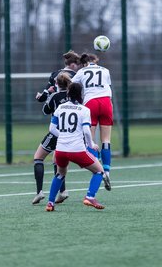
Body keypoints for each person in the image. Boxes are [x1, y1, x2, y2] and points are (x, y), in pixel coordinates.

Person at [45, 82, 105, 212]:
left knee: (60, 174)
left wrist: (63, 136)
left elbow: (52, 128)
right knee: (99, 171)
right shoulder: (84, 110)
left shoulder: (60, 107)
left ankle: (50, 203)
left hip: (61, 149)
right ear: (81, 94)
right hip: (77, 150)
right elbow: (87, 131)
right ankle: (90, 196)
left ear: (68, 93)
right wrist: (91, 144)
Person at [71, 53, 113, 191]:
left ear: (84, 63)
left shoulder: (81, 71)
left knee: (91, 140)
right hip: (106, 102)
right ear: (95, 61)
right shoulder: (105, 70)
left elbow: (73, 86)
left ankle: (97, 170)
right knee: (106, 139)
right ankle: (107, 171)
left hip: (91, 103)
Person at [32, 72, 73, 205]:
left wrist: (48, 94)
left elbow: (45, 111)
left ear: (56, 84)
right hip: (71, 133)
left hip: (56, 132)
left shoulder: (55, 96)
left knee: (38, 157)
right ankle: (63, 191)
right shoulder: (74, 96)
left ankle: (39, 192)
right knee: (57, 160)